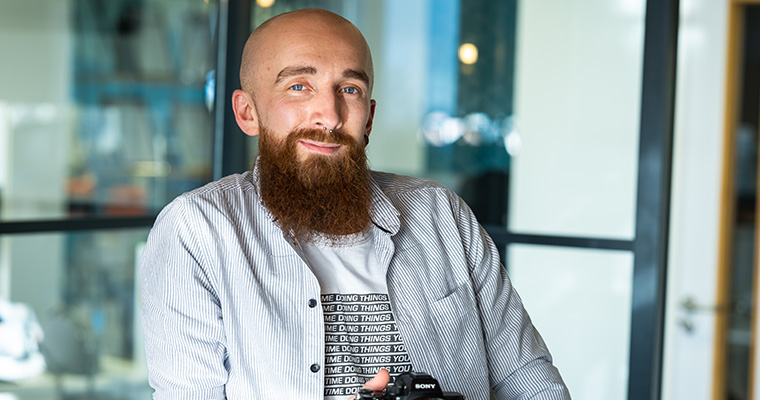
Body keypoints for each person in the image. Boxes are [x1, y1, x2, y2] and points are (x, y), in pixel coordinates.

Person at [140, 8, 570, 400]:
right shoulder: (197, 230)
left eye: (349, 88)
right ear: (247, 112)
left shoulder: (443, 216)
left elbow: (529, 380)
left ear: (369, 116)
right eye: (298, 86)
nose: (328, 114)